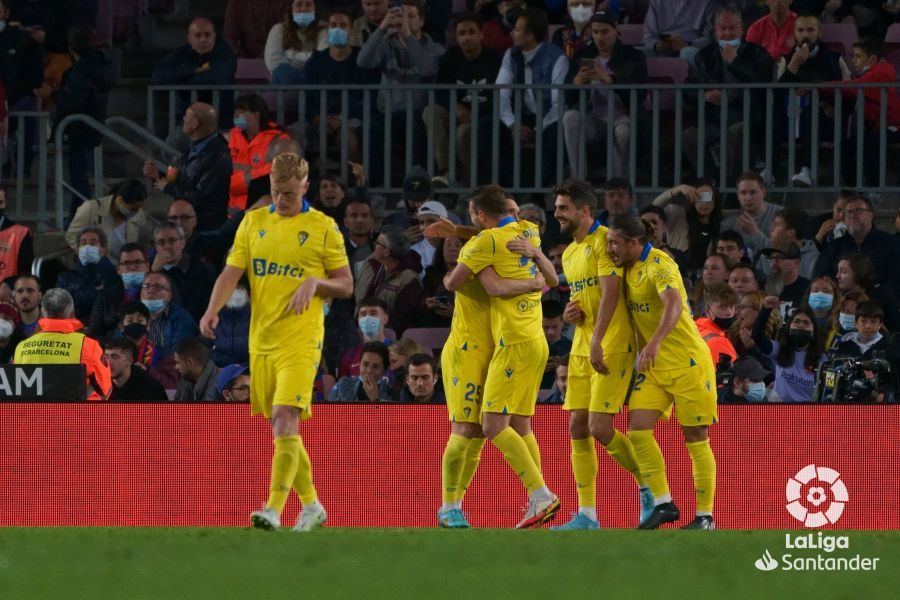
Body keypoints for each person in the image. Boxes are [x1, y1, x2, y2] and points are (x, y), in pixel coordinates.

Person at [200, 153, 353, 532]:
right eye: (274, 192)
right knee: (282, 428)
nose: (281, 201)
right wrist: (211, 310)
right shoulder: (253, 222)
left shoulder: (323, 228)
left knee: (285, 418)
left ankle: (273, 509)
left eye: (287, 193)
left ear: (305, 186)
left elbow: (347, 284)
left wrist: (317, 283)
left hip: (301, 340)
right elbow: (231, 272)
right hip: (262, 340)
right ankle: (313, 505)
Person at [445, 184, 561, 530]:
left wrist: (462, 242)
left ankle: (539, 494)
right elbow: (546, 277)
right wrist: (456, 232)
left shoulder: (482, 246)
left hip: (508, 345)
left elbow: (460, 283)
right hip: (514, 344)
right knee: (505, 426)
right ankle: (457, 506)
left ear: (481, 215)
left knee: (489, 426)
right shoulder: (528, 232)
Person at [544, 181, 651, 531]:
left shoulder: (606, 241)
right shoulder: (572, 252)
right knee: (577, 427)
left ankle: (651, 485)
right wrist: (572, 314)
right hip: (581, 345)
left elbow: (611, 293)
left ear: (584, 210)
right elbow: (587, 298)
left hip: (611, 344)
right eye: (557, 207)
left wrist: (597, 340)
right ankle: (587, 514)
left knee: (600, 427)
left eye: (563, 208)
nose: (556, 213)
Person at [606, 214, 718, 530]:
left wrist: (653, 343)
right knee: (638, 430)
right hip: (655, 367)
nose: (610, 248)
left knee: (695, 437)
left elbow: (673, 305)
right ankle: (664, 502)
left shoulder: (661, 265)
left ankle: (706, 516)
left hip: (687, 363)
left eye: (615, 242)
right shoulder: (625, 268)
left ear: (633, 242)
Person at [357, 0, 444, 183]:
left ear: (421, 21)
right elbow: (362, 62)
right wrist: (382, 27)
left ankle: (417, 185)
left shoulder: (433, 47)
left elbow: (428, 69)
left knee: (415, 128)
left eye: (411, 17)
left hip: (417, 113)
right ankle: (375, 187)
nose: (406, 21)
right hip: (388, 112)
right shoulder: (386, 43)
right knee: (371, 126)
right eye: (402, 16)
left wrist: (408, 36)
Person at [682, 10, 774, 181]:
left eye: (732, 28)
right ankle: (709, 183)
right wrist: (705, 95)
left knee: (734, 133)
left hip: (748, 115)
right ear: (716, 30)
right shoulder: (704, 56)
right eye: (723, 28)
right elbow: (689, 88)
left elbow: (762, 85)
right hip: (713, 117)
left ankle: (732, 186)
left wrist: (735, 62)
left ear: (741, 29)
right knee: (689, 136)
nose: (727, 33)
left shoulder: (758, 53)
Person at [563, 11, 647, 180]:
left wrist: (612, 82)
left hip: (622, 117)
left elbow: (639, 96)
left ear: (616, 30)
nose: (599, 37)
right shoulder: (582, 56)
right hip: (593, 119)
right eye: (595, 32)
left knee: (623, 131)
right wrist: (576, 84)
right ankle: (578, 182)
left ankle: (619, 184)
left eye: (605, 32)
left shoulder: (634, 57)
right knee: (570, 117)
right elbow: (568, 99)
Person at [492, 7, 568, 186]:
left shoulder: (558, 58)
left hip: (548, 118)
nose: (511, 33)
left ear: (530, 36)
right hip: (520, 117)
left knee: (556, 133)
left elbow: (558, 104)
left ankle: (537, 190)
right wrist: (512, 125)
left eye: (517, 29)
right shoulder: (511, 55)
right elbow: (500, 93)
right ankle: (499, 188)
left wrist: (536, 130)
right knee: (488, 127)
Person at [424, 12, 501, 184]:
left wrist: (473, 114)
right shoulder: (449, 59)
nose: (467, 38)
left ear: (481, 34)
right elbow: (440, 91)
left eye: (471, 32)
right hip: (456, 112)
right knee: (430, 112)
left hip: (481, 116)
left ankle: (467, 187)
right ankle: (446, 171)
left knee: (462, 133)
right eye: (462, 33)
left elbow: (499, 96)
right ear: (456, 38)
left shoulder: (494, 60)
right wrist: (455, 107)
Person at [45, 25, 114, 216]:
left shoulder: (79, 72)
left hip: (77, 131)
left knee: (78, 180)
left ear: (71, 49)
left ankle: (90, 215)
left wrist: (53, 94)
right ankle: (74, 220)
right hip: (92, 128)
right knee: (79, 177)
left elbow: (73, 101)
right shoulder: (102, 67)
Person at [775, 13, 849, 187]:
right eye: (801, 30)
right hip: (790, 117)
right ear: (794, 33)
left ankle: (806, 170)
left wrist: (820, 96)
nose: (805, 34)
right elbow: (776, 94)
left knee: (812, 111)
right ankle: (769, 169)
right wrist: (794, 66)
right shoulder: (786, 60)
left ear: (820, 33)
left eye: (810, 30)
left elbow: (850, 92)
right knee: (771, 112)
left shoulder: (834, 59)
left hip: (824, 118)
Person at [305, 9, 380, 165]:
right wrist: (318, 118)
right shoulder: (315, 61)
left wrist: (341, 118)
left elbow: (369, 98)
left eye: (343, 25)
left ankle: (355, 186)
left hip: (352, 118)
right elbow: (306, 96)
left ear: (351, 29)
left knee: (349, 139)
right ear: (327, 29)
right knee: (291, 135)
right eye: (333, 25)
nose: (337, 29)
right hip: (318, 119)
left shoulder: (362, 60)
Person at [142, 103, 232, 232]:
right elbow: (185, 178)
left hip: (206, 228)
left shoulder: (217, 157)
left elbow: (200, 198)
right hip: (193, 224)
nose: (183, 119)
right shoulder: (195, 146)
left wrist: (168, 187)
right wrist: (158, 175)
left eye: (186, 116)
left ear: (195, 124)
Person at [13, 288, 111, 400]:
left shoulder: (22, 347)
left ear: (42, 314)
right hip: (78, 415)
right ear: (72, 312)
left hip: (33, 415)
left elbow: (16, 391)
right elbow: (105, 390)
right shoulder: (88, 345)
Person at [829, 37, 900, 187]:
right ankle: (854, 190)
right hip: (877, 127)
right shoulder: (867, 74)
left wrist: (818, 86)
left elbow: (853, 86)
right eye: (853, 56)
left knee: (871, 144)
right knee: (848, 146)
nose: (854, 60)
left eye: (859, 56)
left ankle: (875, 190)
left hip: (894, 126)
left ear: (872, 58)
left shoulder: (881, 72)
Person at [151, 18, 236, 131]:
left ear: (214, 36)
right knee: (174, 141)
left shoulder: (225, 53)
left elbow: (215, 78)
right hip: (185, 120)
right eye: (197, 35)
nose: (203, 40)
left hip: (220, 121)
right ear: (189, 38)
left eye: (207, 35)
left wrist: (181, 81)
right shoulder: (181, 53)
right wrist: (193, 71)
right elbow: (158, 76)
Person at [815, 195, 900, 298]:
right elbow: (822, 277)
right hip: (841, 304)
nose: (852, 215)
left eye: (858, 210)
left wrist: (871, 296)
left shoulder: (892, 244)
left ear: (871, 215)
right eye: (849, 212)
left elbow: (896, 279)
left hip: (880, 305)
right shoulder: (833, 247)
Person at [0, 0, 43, 176]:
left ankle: (21, 171)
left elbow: (35, 75)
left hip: (18, 100)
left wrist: (11, 97)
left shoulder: (23, 40)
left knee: (27, 117)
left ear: (6, 12)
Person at [353, 227, 422, 335]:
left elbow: (401, 319)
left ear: (386, 252)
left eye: (378, 243)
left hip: (389, 338)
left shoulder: (409, 280)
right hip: (358, 333)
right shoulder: (370, 266)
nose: (375, 245)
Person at [65, 178, 153, 262]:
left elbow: (143, 243)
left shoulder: (139, 214)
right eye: (133, 208)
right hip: (97, 266)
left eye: (139, 208)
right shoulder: (91, 208)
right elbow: (71, 236)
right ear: (120, 200)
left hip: (126, 268)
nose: (136, 212)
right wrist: (89, 254)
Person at [752, 303, 825, 402]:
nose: (801, 325)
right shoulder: (779, 349)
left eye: (806, 323)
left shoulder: (822, 359)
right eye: (796, 321)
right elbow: (757, 336)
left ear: (814, 331)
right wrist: (766, 309)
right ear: (789, 327)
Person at [227, 94, 288, 211]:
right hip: (230, 207)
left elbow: (274, 171)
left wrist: (238, 183)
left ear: (256, 115)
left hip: (260, 206)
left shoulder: (278, 139)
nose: (235, 116)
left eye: (240, 112)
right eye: (235, 113)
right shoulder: (231, 135)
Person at [150, 221, 216, 323]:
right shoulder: (148, 268)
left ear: (183, 242)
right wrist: (154, 273)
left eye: (172, 241)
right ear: (155, 246)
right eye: (161, 242)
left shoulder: (202, 271)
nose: (167, 247)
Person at [652, 180, 723, 270]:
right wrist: (677, 190)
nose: (705, 203)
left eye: (708, 197)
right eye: (700, 197)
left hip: (706, 275)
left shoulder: (720, 224)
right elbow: (655, 206)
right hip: (677, 271)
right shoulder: (678, 214)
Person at [55, 226, 119, 323]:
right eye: (83, 243)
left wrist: (74, 296)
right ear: (78, 250)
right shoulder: (65, 278)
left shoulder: (112, 275)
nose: (87, 247)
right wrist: (95, 292)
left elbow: (107, 307)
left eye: (93, 243)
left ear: (104, 249)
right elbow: (58, 307)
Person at [86, 243, 149, 339]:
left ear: (147, 266)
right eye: (126, 263)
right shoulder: (105, 296)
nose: (132, 267)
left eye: (138, 262)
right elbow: (94, 334)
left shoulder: (157, 295)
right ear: (118, 269)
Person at [833, 253, 900, 333]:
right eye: (838, 271)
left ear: (859, 273)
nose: (837, 276)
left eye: (844, 272)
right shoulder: (837, 295)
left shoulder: (882, 296)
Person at [719, 171, 781, 255]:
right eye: (743, 193)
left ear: (763, 192)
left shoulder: (780, 216)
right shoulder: (729, 224)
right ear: (738, 195)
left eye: (753, 192)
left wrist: (755, 233)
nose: (748, 198)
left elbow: (781, 250)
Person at [264, 0, 325, 84]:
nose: (304, 9)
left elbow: (322, 60)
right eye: (299, 4)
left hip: (315, 84)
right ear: (291, 9)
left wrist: (289, 54)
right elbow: (273, 62)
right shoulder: (278, 30)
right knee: (283, 72)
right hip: (285, 85)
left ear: (315, 9)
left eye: (308, 5)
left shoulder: (324, 31)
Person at [142, 271, 199, 359]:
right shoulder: (131, 313)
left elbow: (178, 355)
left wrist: (146, 351)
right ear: (141, 293)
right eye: (147, 286)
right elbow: (121, 346)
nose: (151, 290)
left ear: (169, 295)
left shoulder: (183, 319)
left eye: (158, 287)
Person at [643, 0, 717, 64]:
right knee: (638, 54)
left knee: (688, 53)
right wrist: (655, 44)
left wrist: (689, 44)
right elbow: (648, 35)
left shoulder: (706, 2)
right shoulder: (657, 2)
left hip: (692, 48)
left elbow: (711, 38)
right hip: (661, 49)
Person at [337, 297, 394, 378]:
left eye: (373, 313)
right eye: (363, 314)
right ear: (358, 320)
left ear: (385, 319)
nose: (367, 318)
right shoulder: (349, 355)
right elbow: (342, 386)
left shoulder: (396, 353)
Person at [760, 208, 819, 280]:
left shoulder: (814, 259)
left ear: (790, 232)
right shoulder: (765, 256)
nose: (771, 229)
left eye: (776, 225)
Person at [105, 337, 168, 402]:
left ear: (130, 360)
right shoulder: (100, 386)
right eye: (106, 357)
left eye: (115, 357)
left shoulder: (151, 390)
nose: (108, 362)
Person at [418, 236, 462, 328]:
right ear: (441, 250)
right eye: (448, 245)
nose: (453, 248)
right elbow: (420, 304)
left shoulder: (473, 276)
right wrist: (427, 303)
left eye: (458, 245)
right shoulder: (432, 274)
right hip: (435, 324)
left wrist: (456, 313)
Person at [328, 341, 393, 401]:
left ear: (384, 370)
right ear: (359, 364)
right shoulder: (342, 385)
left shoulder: (391, 393)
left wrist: (375, 399)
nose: (369, 370)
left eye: (375, 367)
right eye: (365, 364)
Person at [695, 282, 739, 370]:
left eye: (732, 306)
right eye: (723, 307)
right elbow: (725, 380)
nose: (729, 312)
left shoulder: (696, 327)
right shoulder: (718, 341)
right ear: (708, 311)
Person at [759, 240, 811, 313]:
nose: (772, 264)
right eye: (771, 258)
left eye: (779, 258)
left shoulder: (809, 289)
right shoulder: (761, 287)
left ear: (796, 263)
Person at [210, 280, 250, 368]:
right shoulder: (213, 317)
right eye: (230, 289)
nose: (235, 292)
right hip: (219, 371)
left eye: (240, 289)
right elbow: (206, 350)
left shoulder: (256, 318)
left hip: (249, 372)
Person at [0, 187, 33, 279]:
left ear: (5, 203)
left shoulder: (21, 233)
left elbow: (26, 274)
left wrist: (8, 283)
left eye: (0, 202)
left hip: (9, 291)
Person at [174, 337, 220, 402]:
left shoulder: (218, 384)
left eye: (178, 362)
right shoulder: (186, 379)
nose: (176, 367)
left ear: (190, 363)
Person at [540, 300, 571, 389]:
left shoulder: (572, 347)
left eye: (554, 327)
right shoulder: (531, 348)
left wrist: (562, 365)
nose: (550, 332)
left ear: (562, 322)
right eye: (545, 327)